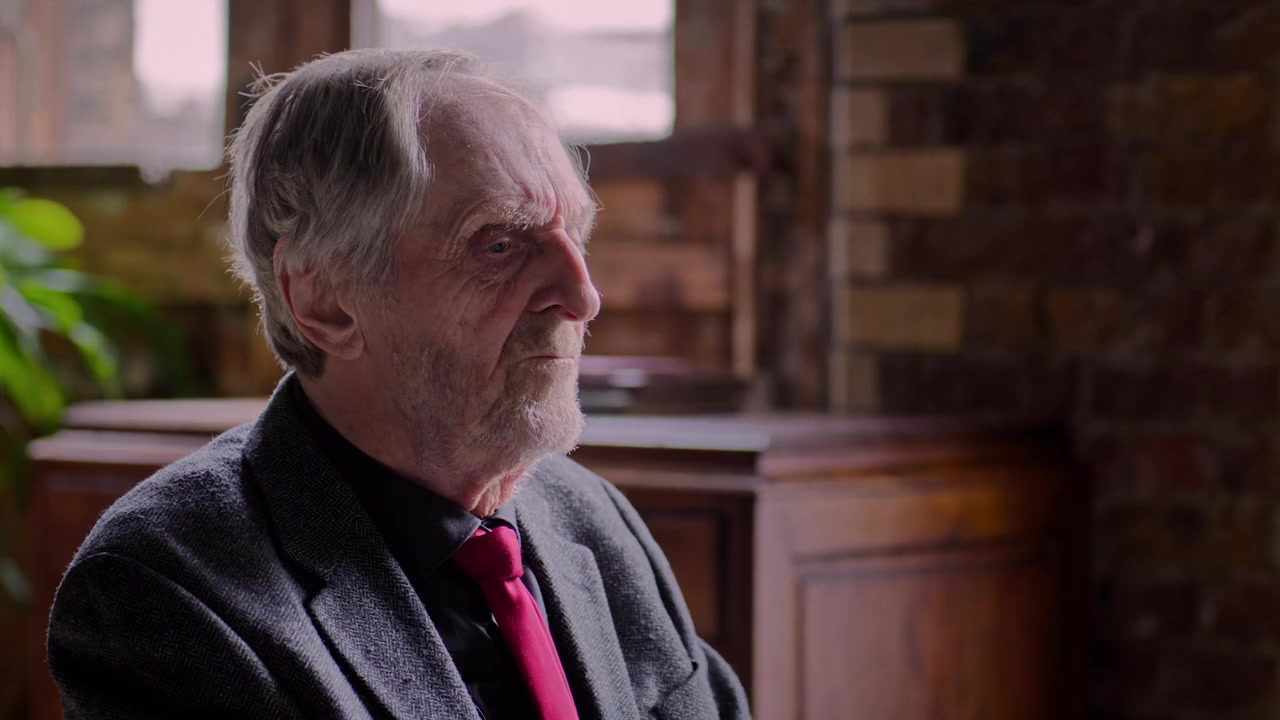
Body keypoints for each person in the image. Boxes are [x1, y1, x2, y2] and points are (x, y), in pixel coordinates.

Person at [46, 48, 750, 720]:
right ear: (324, 299)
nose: (582, 295)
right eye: (499, 244)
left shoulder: (592, 519)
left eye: (577, 237)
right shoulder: (165, 590)